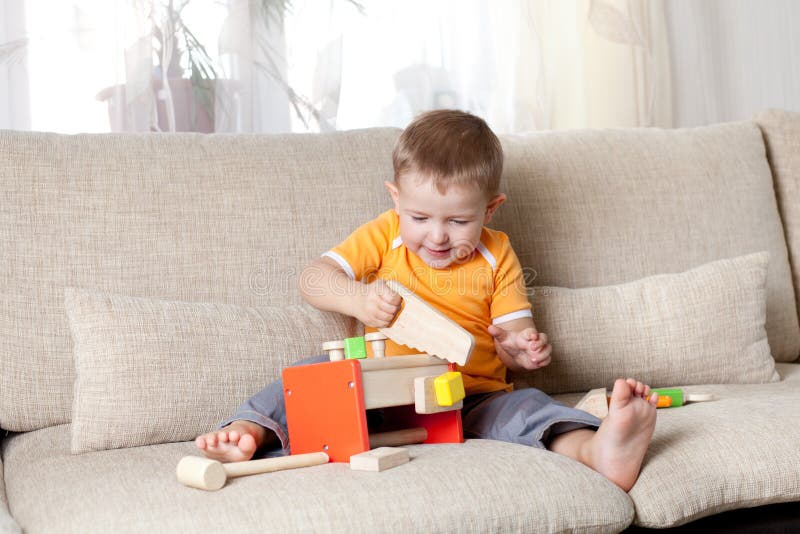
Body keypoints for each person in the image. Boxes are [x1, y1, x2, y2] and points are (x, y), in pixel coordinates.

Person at [196, 109, 658, 492]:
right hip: (376, 392)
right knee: (310, 375)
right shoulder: (383, 235)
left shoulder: (497, 254)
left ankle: (595, 449)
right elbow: (312, 280)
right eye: (419, 217)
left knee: (527, 408)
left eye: (458, 221)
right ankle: (251, 431)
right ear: (396, 200)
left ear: (490, 209)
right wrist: (356, 298)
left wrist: (518, 349)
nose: (436, 236)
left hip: (470, 394)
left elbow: (513, 334)